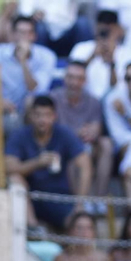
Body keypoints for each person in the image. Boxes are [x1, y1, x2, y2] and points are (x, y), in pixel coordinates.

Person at [5, 95, 90, 232]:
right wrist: (37, 163)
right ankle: (34, 229)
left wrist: (80, 203)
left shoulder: (63, 133)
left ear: (54, 116)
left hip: (60, 198)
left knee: (78, 224)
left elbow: (85, 165)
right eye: (38, 115)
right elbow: (8, 167)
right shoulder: (20, 135)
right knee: (15, 178)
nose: (42, 120)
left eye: (47, 115)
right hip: (31, 199)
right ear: (31, 116)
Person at [0, 14, 57, 127]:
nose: (24, 37)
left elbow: (35, 89)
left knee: (32, 102)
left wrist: (23, 61)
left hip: (31, 112)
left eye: (29, 33)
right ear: (12, 35)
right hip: (1, 109)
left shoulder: (47, 56)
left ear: (34, 36)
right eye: (20, 32)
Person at [54, 63, 114, 201]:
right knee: (76, 153)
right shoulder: (54, 99)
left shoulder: (94, 101)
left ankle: (100, 198)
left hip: (88, 145)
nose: (75, 83)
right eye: (71, 77)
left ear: (85, 81)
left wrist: (93, 132)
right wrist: (75, 134)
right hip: (63, 149)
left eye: (79, 78)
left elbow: (96, 128)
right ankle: (80, 203)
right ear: (64, 79)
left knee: (106, 144)